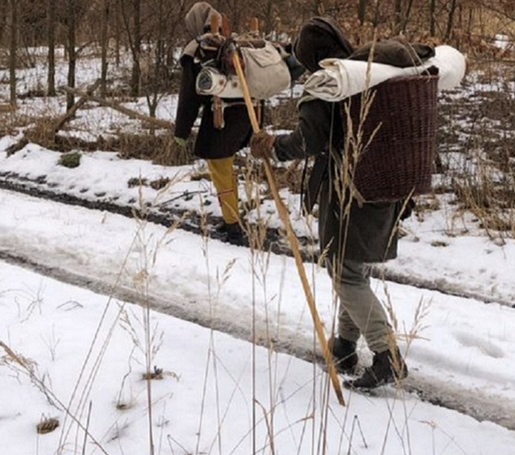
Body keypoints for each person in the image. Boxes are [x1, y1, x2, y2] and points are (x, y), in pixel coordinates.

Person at [249, 17, 410, 389]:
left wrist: (273, 146)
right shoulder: (368, 72)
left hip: (348, 190)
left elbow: (311, 141)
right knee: (352, 266)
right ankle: (345, 345)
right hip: (384, 186)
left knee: (344, 271)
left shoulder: (329, 83)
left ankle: (388, 356)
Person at [174, 2, 251, 245]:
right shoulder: (233, 43)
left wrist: (181, 131)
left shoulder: (197, 49)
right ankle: (234, 216)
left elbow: (189, 96)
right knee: (227, 169)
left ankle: (233, 227)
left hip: (221, 119)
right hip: (247, 116)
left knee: (220, 171)